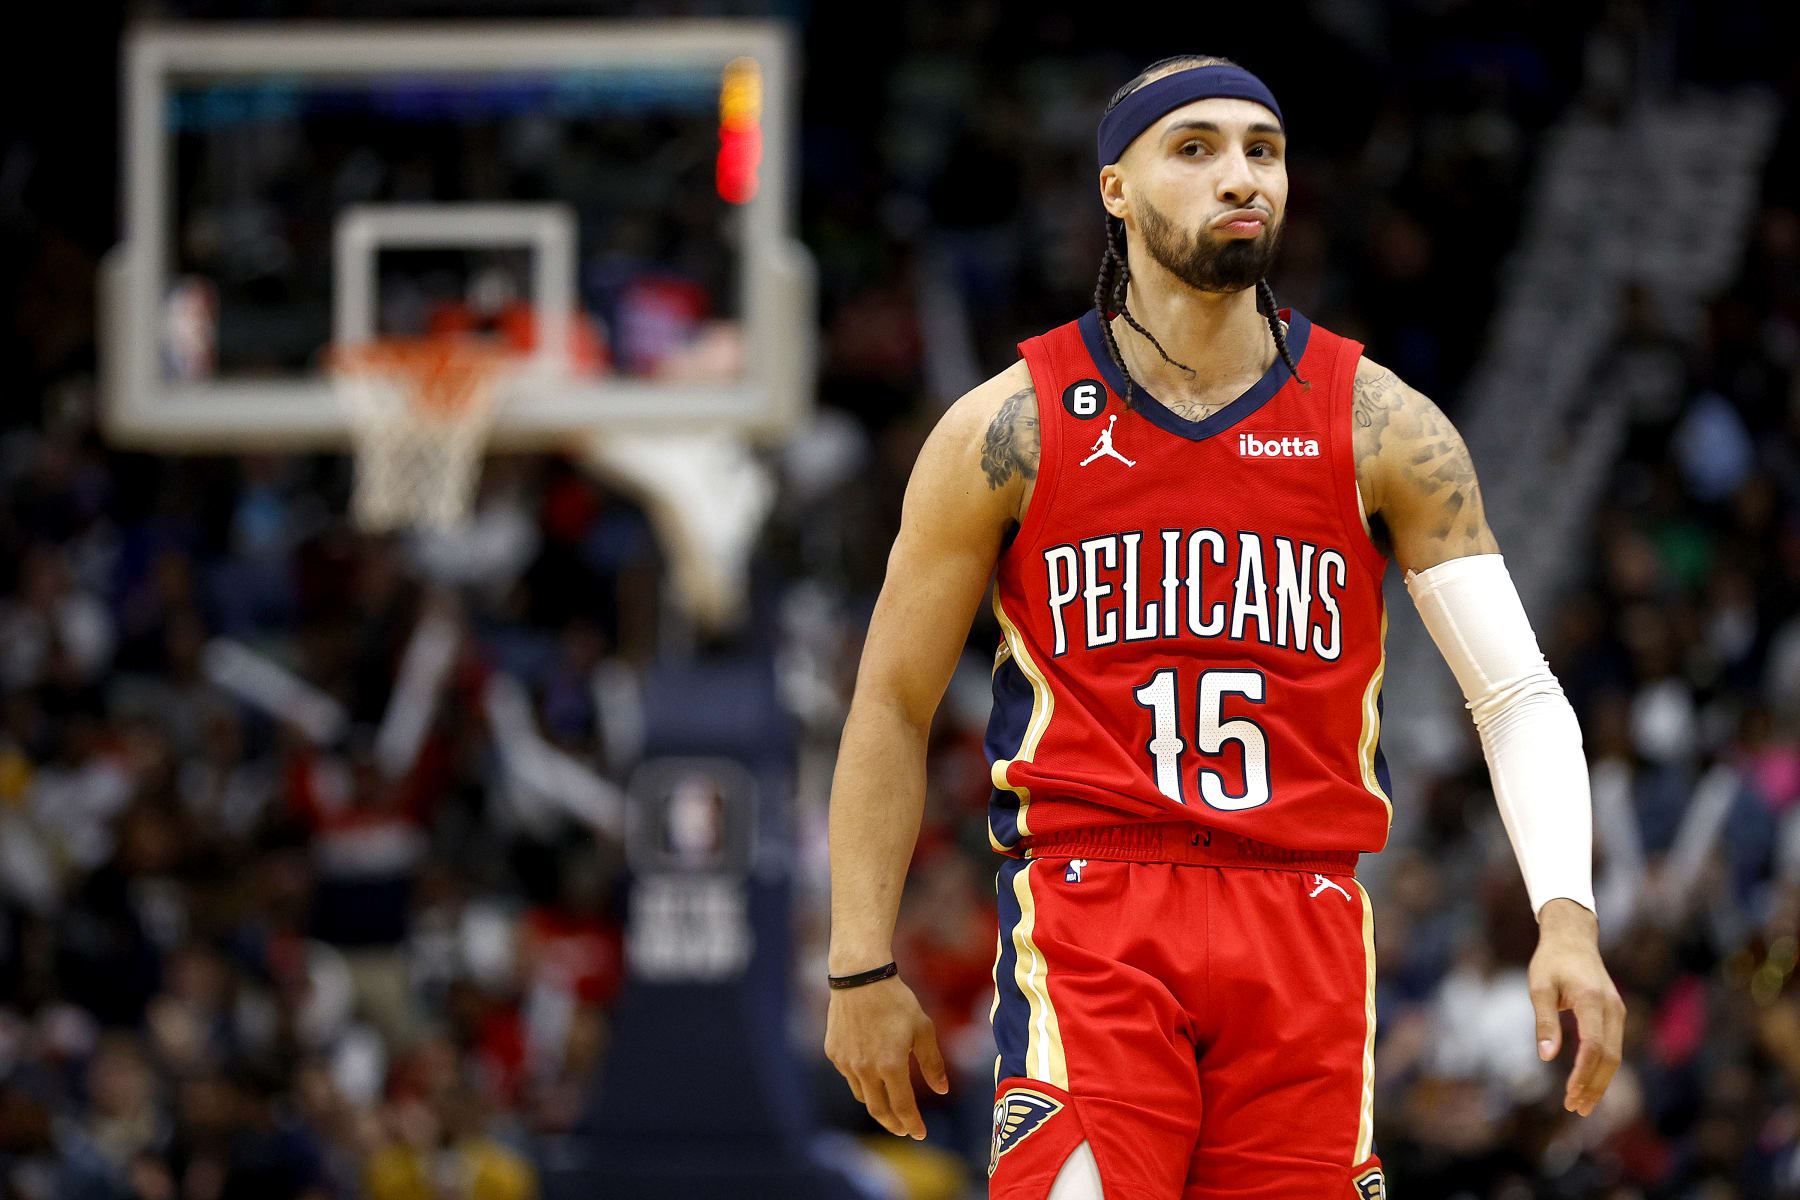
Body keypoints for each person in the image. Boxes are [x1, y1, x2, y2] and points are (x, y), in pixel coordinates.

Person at [824, 55, 1625, 1200]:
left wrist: (1569, 920)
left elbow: (1517, 694)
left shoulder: (1382, 425)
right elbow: (892, 703)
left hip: (1302, 918)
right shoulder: (1008, 427)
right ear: (1115, 189)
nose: (1239, 175)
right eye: (1194, 148)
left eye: (1263, 149)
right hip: (1095, 908)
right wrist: (859, 965)